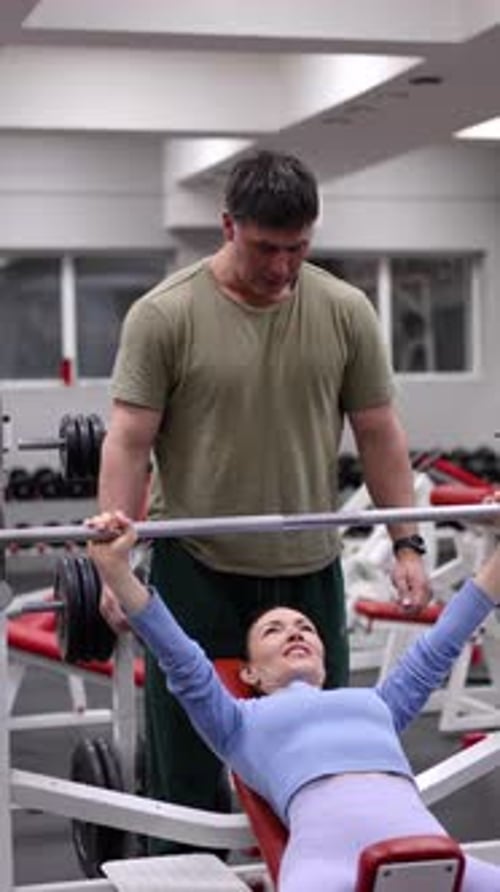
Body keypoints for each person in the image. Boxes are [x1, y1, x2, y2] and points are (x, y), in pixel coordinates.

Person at [97, 149, 430, 849]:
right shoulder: (166, 314)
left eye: (298, 248)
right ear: (227, 226)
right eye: (266, 248)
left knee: (330, 763)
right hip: (197, 566)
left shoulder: (343, 311)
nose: (283, 266)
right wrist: (112, 567)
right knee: (186, 770)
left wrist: (406, 540)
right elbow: (128, 441)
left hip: (307, 568)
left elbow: (378, 431)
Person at [88, 509, 500, 892]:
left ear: (324, 657)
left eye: (304, 627)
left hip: (434, 850)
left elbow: (450, 634)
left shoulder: (379, 704)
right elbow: (179, 657)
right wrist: (117, 570)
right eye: (274, 630)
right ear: (251, 674)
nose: (295, 632)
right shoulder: (238, 721)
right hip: (328, 867)